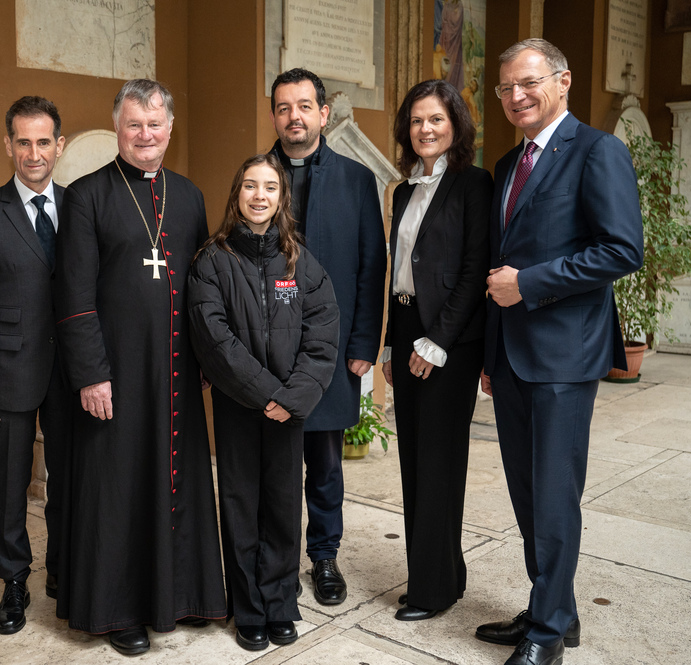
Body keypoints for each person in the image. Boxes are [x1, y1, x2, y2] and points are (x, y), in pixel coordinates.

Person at [477, 39, 643, 665]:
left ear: (563, 81)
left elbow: (622, 249)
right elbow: (497, 266)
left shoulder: (598, 151)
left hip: (565, 357)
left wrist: (531, 283)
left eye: (528, 84)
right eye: (505, 89)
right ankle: (555, 608)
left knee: (553, 495)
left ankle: (547, 635)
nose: (516, 98)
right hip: (514, 358)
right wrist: (492, 357)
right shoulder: (504, 166)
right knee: (525, 491)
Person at [53, 79, 226, 655]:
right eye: (133, 125)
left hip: (176, 371)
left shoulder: (189, 195)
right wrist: (91, 373)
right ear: (117, 129)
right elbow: (73, 296)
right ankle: (118, 609)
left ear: (169, 129)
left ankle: (183, 594)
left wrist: (208, 358)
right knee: (118, 486)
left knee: (179, 475)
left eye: (154, 125)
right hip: (117, 372)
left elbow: (205, 287)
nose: (145, 135)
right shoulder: (85, 196)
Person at [188, 154, 340, 652]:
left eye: (270, 188)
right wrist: (269, 394)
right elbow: (215, 340)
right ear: (236, 195)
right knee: (239, 504)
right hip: (239, 407)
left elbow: (323, 335)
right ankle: (248, 608)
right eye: (250, 186)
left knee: (281, 506)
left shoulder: (300, 260)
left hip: (287, 412)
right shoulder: (212, 260)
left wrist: (292, 398)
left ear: (281, 199)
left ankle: (279, 603)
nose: (259, 196)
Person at [268, 68, 387, 605]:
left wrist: (364, 343)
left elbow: (371, 265)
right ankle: (276, 559)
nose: (294, 116)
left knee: (326, 462)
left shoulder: (357, 180)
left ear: (322, 113)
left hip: (333, 348)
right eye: (284, 107)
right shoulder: (258, 175)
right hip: (269, 350)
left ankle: (324, 557)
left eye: (304, 106)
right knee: (273, 461)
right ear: (275, 116)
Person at [0, 95, 71, 635]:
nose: (33, 153)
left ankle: (63, 569)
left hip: (72, 377)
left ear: (59, 145)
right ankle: (14, 580)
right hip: (8, 376)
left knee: (70, 480)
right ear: (8, 145)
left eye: (43, 141)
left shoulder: (81, 206)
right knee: (10, 486)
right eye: (22, 142)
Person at [380, 79, 492, 622]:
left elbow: (473, 272)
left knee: (440, 463)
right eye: (417, 120)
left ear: (456, 126)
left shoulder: (474, 184)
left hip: (447, 340)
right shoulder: (402, 191)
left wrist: (437, 341)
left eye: (437, 120)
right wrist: (389, 344)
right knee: (413, 461)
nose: (426, 129)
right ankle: (436, 572)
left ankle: (433, 590)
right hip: (406, 328)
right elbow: (399, 270)